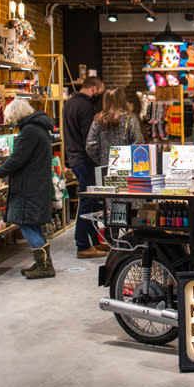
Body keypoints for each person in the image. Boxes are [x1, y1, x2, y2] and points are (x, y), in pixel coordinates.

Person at [0, 99, 56, 279]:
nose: (10, 122)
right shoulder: (38, 128)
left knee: (26, 222)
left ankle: (44, 265)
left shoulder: (29, 131)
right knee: (31, 223)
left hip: (29, 187)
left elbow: (18, 158)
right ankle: (42, 262)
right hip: (36, 184)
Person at [62, 76, 107, 259]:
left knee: (91, 200)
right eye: (100, 92)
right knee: (88, 202)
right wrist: (98, 157)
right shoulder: (86, 107)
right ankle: (82, 244)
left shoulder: (69, 104)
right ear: (94, 89)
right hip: (85, 159)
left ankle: (94, 242)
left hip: (74, 158)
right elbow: (90, 139)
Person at [85, 86, 146, 174]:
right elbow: (139, 144)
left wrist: (103, 159)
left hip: (106, 169)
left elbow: (90, 146)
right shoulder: (130, 119)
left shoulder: (98, 120)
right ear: (123, 99)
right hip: (128, 170)